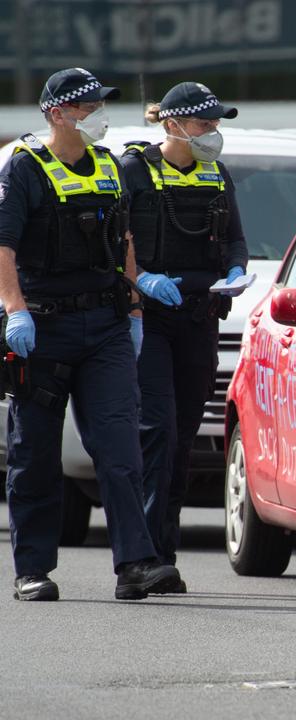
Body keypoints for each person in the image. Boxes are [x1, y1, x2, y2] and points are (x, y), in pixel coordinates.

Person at [0, 68, 179, 601]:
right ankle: (33, 568)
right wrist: (15, 311)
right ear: (57, 113)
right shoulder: (24, 168)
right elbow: (4, 247)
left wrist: (135, 312)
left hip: (105, 327)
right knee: (35, 452)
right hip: (42, 326)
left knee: (121, 449)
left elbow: (122, 239)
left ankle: (136, 566)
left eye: (100, 104)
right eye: (87, 107)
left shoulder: (109, 165)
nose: (98, 115)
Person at [119, 82, 249, 592]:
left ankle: (161, 555)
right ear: (172, 125)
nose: (212, 132)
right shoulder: (131, 172)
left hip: (200, 318)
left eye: (216, 123)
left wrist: (237, 268)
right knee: (157, 431)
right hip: (146, 320)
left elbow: (236, 238)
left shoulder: (217, 174)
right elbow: (114, 244)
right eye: (203, 123)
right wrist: (141, 279)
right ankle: (139, 560)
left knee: (181, 438)